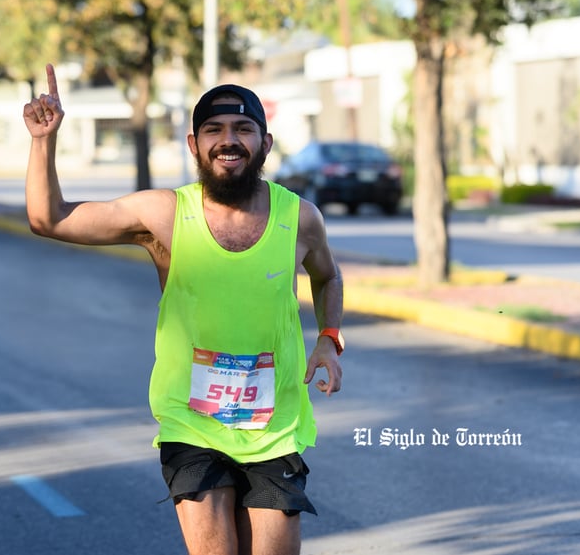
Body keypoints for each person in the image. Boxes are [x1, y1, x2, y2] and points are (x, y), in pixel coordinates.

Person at [23, 63, 344, 555]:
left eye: (242, 129)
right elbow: (50, 218)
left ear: (265, 143)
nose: (228, 140)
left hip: (274, 429)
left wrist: (328, 339)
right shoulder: (165, 214)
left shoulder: (299, 218)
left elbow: (327, 276)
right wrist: (43, 141)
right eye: (213, 130)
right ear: (194, 145)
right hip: (192, 421)